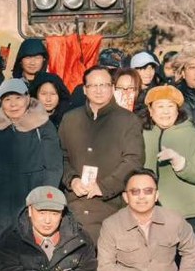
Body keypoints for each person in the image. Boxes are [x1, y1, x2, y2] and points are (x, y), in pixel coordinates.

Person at [141, 85, 195, 271]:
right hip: (151, 213)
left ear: (178, 109)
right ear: (150, 110)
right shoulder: (142, 134)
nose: (165, 111)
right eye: (159, 106)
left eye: (170, 106)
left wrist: (180, 162)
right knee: (155, 264)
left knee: (187, 263)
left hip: (187, 212)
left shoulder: (191, 134)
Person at [58, 66, 145, 242]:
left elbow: (134, 161)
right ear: (84, 89)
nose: (98, 90)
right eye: (93, 85)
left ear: (112, 88)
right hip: (75, 205)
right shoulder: (70, 119)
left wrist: (103, 187)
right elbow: (60, 157)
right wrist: (72, 180)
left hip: (111, 207)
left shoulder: (128, 120)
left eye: (104, 85)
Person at [0, 79, 63, 241]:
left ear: (27, 98)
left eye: (18, 98)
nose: (13, 104)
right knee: (2, 244)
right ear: (1, 102)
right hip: (2, 205)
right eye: (7, 99)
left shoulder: (42, 126)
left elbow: (53, 167)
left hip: (32, 198)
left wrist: (44, 202)